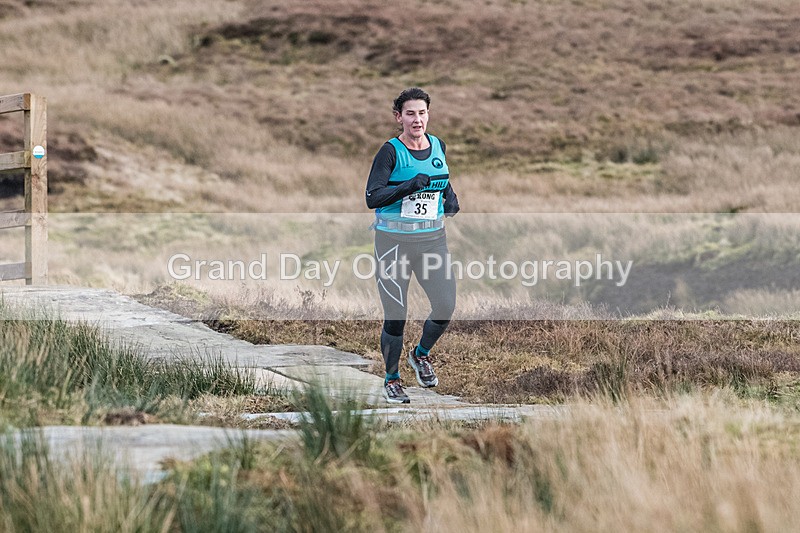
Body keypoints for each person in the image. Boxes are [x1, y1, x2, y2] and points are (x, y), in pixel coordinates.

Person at [365, 87, 460, 404]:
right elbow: (372, 197)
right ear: (399, 117)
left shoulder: (438, 145)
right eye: (410, 113)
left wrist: (449, 196)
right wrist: (407, 187)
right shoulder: (390, 152)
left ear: (428, 115)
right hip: (392, 245)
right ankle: (392, 380)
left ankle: (421, 355)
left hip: (433, 242)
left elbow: (440, 178)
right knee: (396, 315)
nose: (417, 119)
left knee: (445, 306)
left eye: (422, 112)